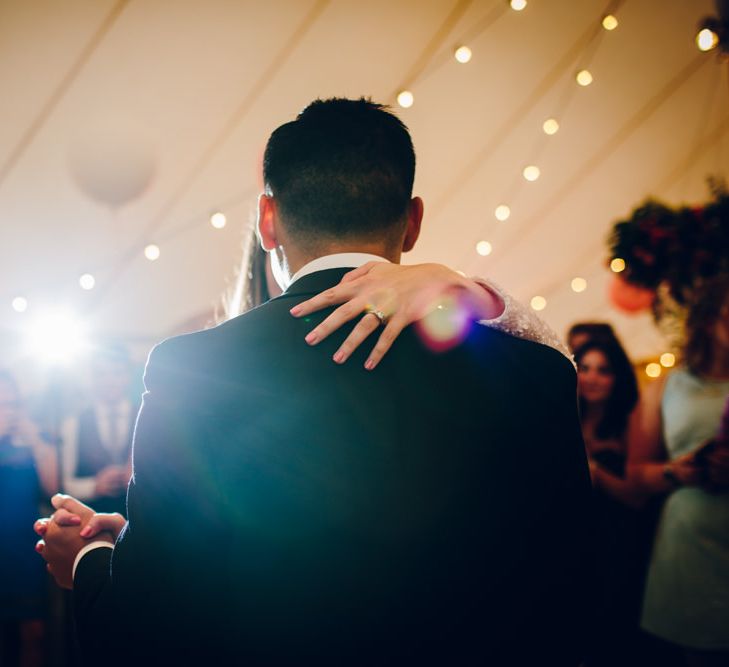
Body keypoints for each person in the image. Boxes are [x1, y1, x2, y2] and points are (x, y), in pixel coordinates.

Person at [35, 98, 593, 665]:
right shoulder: (536, 371)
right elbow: (571, 594)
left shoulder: (192, 368)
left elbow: (147, 624)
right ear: (415, 219)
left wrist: (92, 559)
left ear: (267, 220)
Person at [634, 278, 729, 666]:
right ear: (709, 319)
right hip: (690, 543)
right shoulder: (668, 385)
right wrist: (677, 471)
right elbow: (636, 474)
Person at [574, 341, 656, 666]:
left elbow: (637, 497)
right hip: (574, 539)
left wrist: (596, 473)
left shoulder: (631, 424)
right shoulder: (564, 415)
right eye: (586, 367)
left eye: (603, 370)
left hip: (616, 542)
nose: (592, 377)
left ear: (617, 377)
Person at [0, 371, 57, 667]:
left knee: (33, 632)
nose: (6, 411)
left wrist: (35, 439)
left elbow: (52, 488)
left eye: (12, 404)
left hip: (24, 547)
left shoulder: (30, 443)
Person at [60, 346, 137, 515]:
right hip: (93, 520)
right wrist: (95, 486)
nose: (109, 381)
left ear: (129, 376)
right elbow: (65, 485)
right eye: (101, 374)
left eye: (117, 373)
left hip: (141, 518)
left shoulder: (146, 418)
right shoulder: (73, 423)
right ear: (91, 378)